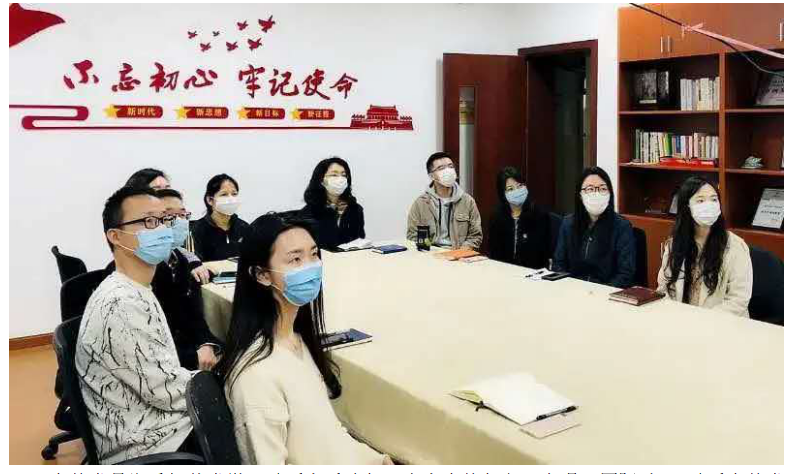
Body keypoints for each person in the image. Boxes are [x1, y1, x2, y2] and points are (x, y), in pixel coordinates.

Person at [217, 212, 392, 465]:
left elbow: (328, 435)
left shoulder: (297, 341)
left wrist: (377, 461)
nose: (310, 266)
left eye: (314, 254)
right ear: (261, 275)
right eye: (295, 259)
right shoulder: (256, 374)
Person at [75, 186, 197, 463]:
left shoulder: (136, 287)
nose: (162, 229)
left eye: (164, 220)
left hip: (160, 425)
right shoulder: (121, 303)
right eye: (149, 221)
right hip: (152, 444)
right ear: (115, 236)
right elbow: (167, 392)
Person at [657, 177, 753, 316]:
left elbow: (738, 300)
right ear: (686, 207)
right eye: (700, 200)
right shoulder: (674, 244)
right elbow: (663, 289)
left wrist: (703, 320)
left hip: (721, 322)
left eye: (714, 199)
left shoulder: (736, 246)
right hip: (681, 320)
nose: (709, 205)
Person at [154, 188, 223, 370]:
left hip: (189, 346)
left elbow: (193, 314)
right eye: (170, 216)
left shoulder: (181, 260)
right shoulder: (145, 268)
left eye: (183, 215)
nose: (179, 221)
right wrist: (194, 356)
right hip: (165, 358)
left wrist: (206, 344)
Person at [552, 166, 635, 288]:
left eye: (602, 189)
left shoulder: (622, 227)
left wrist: (600, 293)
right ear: (580, 195)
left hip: (606, 293)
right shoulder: (568, 224)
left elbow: (625, 274)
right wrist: (569, 288)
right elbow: (558, 264)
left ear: (609, 194)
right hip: (572, 291)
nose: (596, 193)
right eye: (590, 189)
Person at [125, 168, 210, 284]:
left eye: (167, 188)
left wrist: (194, 262)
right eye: (157, 189)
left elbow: (176, 249)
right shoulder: (140, 253)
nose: (165, 194)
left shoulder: (175, 250)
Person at [406, 152, 482, 249]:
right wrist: (430, 250)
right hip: (431, 253)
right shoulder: (421, 204)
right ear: (432, 176)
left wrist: (461, 251)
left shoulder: (467, 201)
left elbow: (475, 236)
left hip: (459, 252)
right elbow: (412, 235)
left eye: (450, 166)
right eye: (441, 168)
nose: (448, 171)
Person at [488, 166, 556, 269]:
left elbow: (542, 255)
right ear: (503, 194)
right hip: (503, 272)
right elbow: (494, 254)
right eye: (510, 189)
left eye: (520, 186)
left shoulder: (539, 215)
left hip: (532, 272)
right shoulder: (497, 217)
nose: (517, 191)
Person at [301, 157, 365, 250]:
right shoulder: (309, 212)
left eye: (344, 175)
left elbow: (359, 240)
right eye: (334, 175)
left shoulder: (355, 208)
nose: (340, 179)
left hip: (351, 256)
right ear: (321, 180)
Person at [190, 173, 250, 262]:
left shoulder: (244, 227)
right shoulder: (197, 230)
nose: (231, 199)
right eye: (224, 194)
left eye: (234, 194)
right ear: (210, 200)